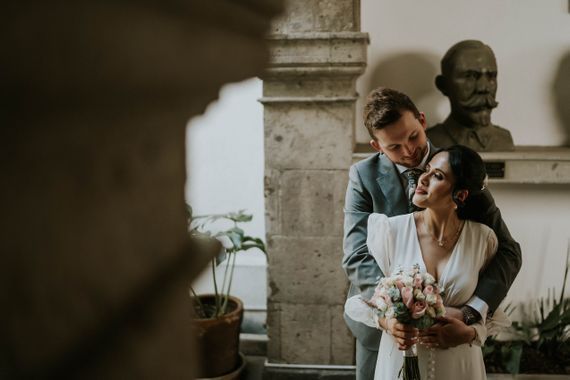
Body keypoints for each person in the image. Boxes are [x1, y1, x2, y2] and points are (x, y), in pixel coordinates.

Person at [342, 87, 521, 380]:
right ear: (377, 146)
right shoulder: (362, 176)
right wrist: (396, 311)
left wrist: (470, 314)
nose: (409, 151)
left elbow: (508, 251)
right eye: (394, 147)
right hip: (383, 333)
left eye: (412, 136)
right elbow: (356, 255)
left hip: (452, 331)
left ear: (422, 120)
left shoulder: (459, 167)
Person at [427, 40, 515, 151]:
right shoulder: (430, 141)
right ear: (443, 85)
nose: (484, 88)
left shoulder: (504, 140)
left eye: (491, 76)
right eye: (470, 76)